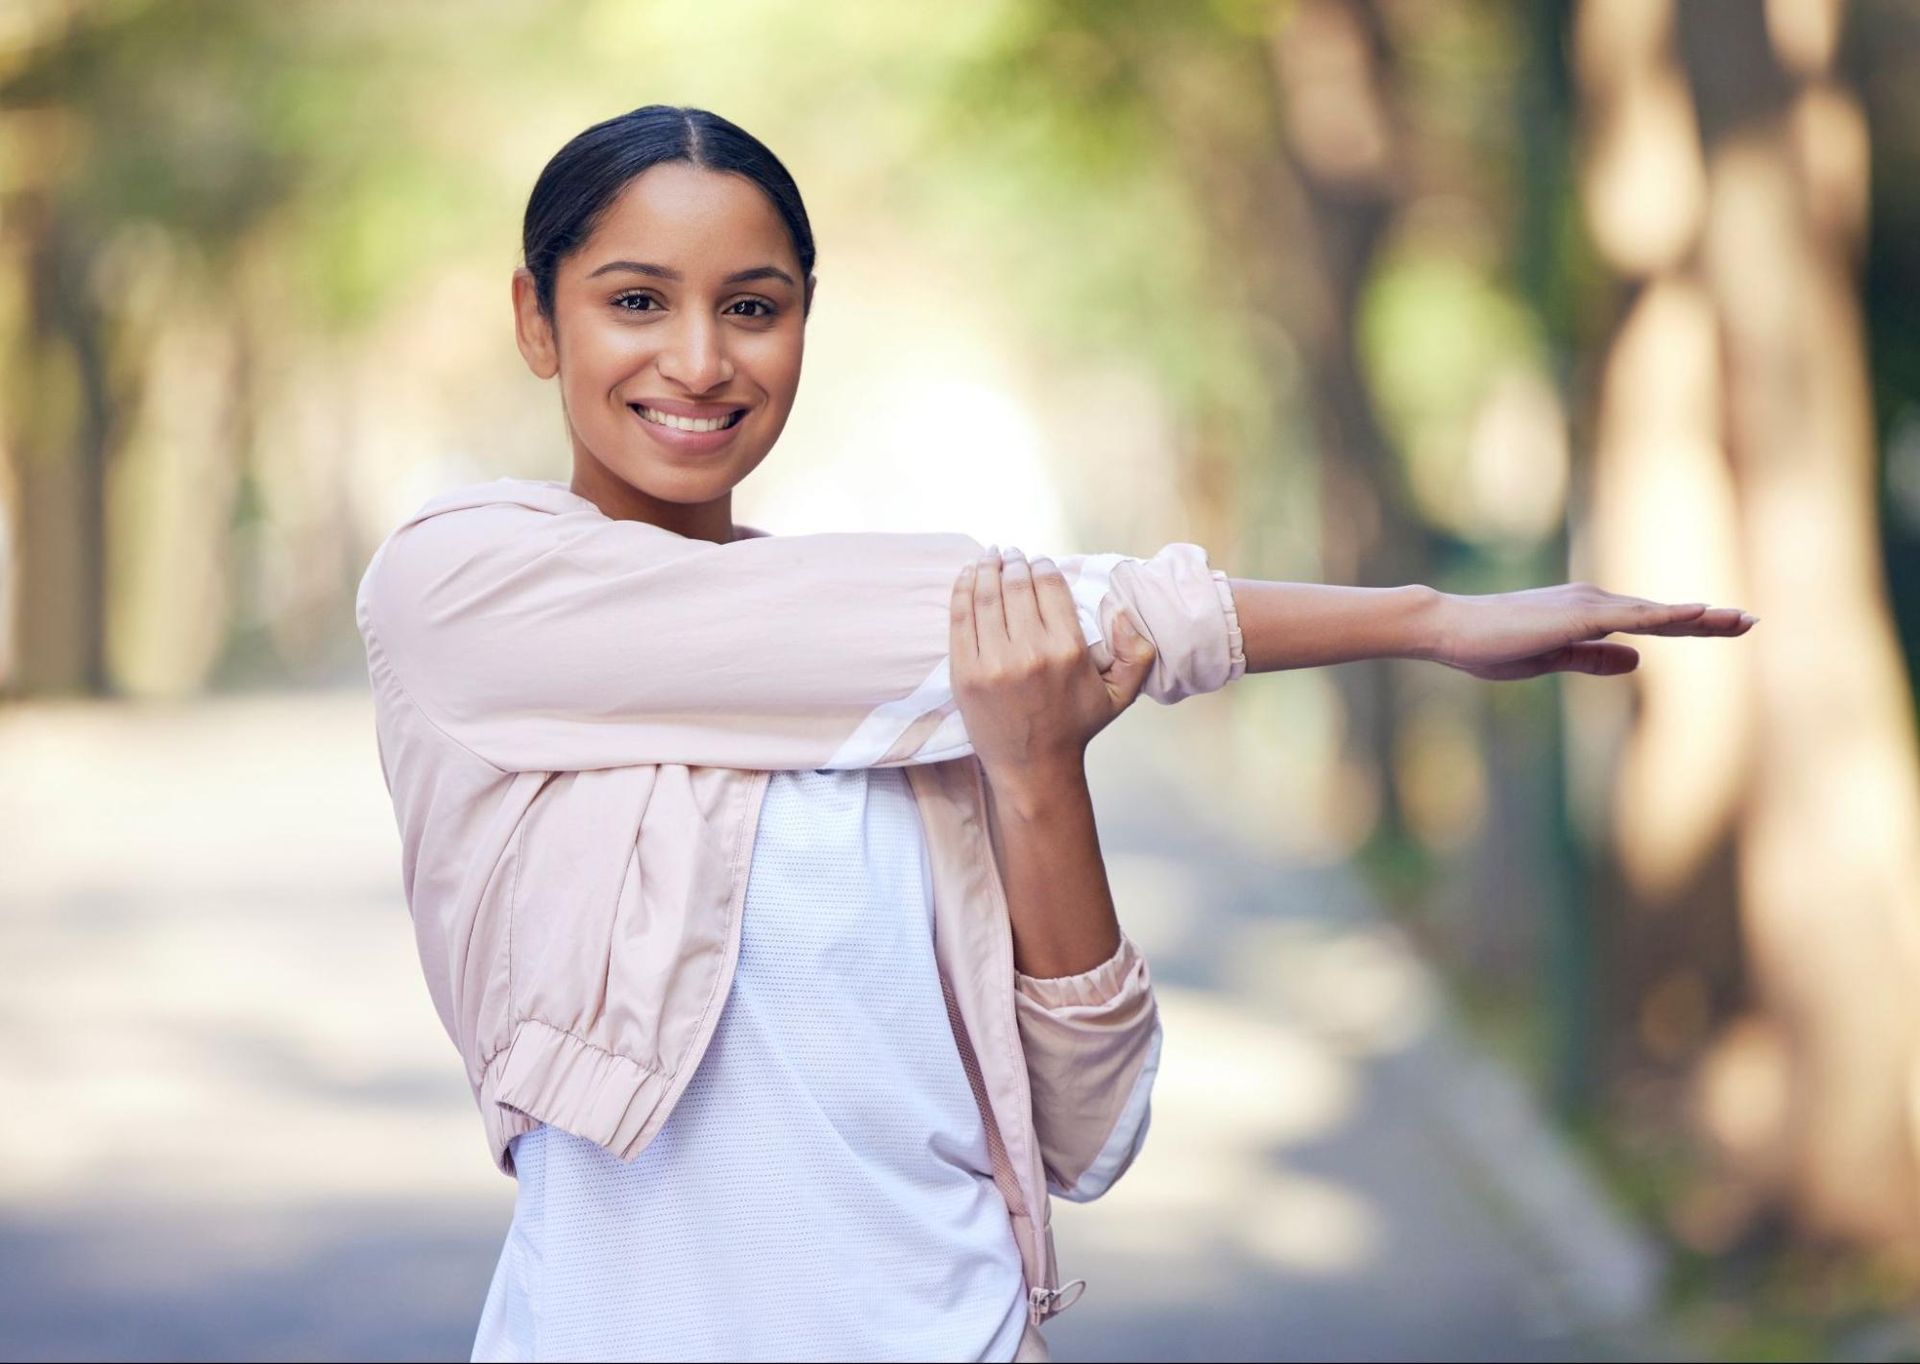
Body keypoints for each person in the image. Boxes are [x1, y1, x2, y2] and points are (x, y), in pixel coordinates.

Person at [354, 104, 1753, 1364]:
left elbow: (1085, 1130)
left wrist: (1037, 772)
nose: (701, 359)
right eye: (637, 301)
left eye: (754, 306)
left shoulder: (936, 696)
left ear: (803, 325)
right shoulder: (464, 591)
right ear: (539, 322)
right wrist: (1427, 619)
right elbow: (989, 612)